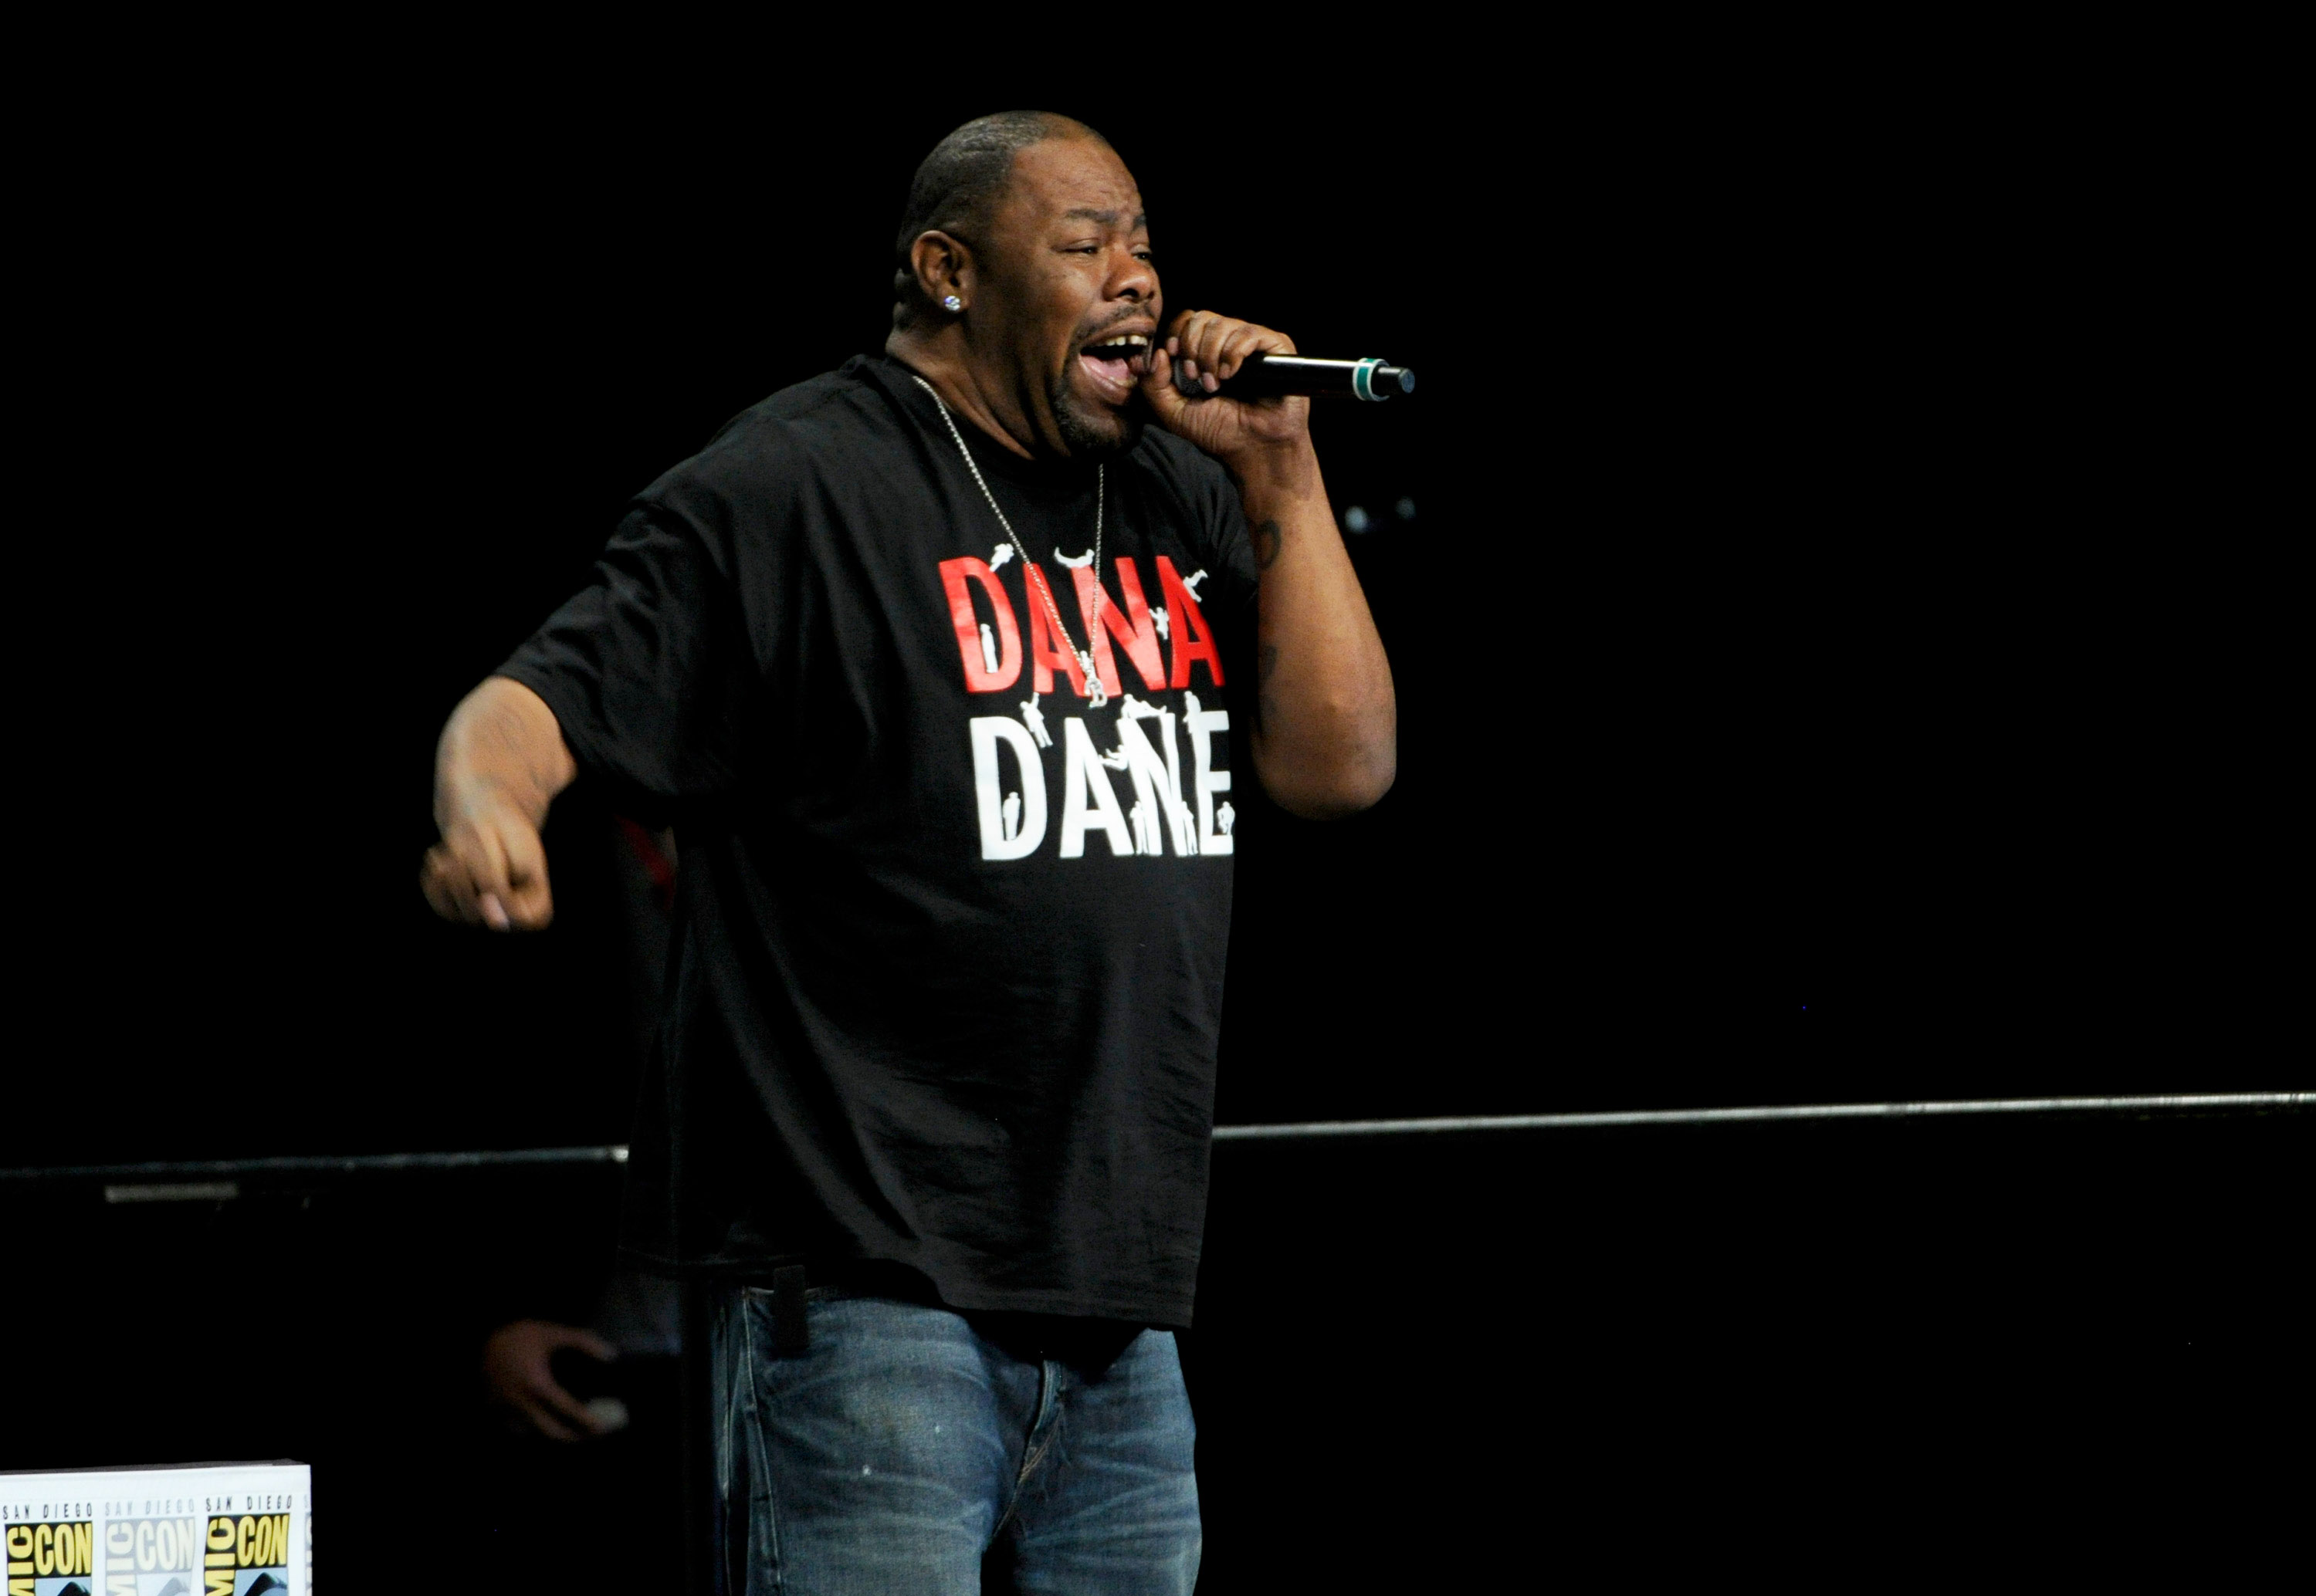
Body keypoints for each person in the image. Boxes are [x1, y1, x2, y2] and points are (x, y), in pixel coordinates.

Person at [420, 110, 1393, 1593]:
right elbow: (536, 698)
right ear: (951, 270)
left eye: (1144, 245)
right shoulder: (796, 483)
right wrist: (487, 806)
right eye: (1085, 245)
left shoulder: (1176, 486)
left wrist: (1283, 476)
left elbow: (1341, 769)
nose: (1137, 279)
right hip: (865, 1295)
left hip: (1119, 1307)